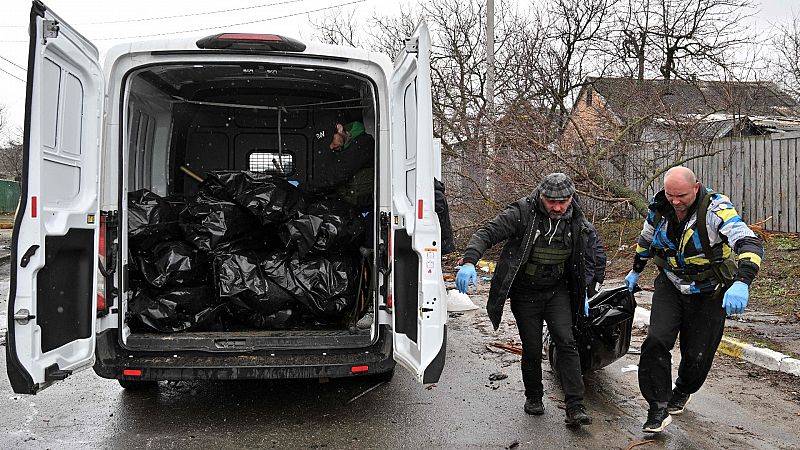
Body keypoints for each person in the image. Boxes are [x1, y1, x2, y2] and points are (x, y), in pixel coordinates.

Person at [456, 173, 606, 427]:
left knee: (566, 342)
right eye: (551, 201)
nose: (557, 207)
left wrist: (588, 290)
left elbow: (593, 255)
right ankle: (534, 397)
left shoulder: (577, 220)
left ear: (571, 198)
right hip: (526, 292)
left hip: (557, 290)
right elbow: (488, 232)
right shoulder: (522, 212)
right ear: (540, 195)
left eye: (563, 201)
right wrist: (470, 260)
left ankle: (575, 406)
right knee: (533, 347)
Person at [624, 166, 764, 433]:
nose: (675, 201)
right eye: (670, 194)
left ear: (696, 187)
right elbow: (646, 239)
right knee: (656, 340)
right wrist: (636, 270)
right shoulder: (659, 206)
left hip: (708, 290)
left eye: (682, 196)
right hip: (671, 283)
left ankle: (683, 390)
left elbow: (749, 242)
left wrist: (742, 282)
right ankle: (657, 407)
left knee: (697, 355)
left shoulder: (716, 210)